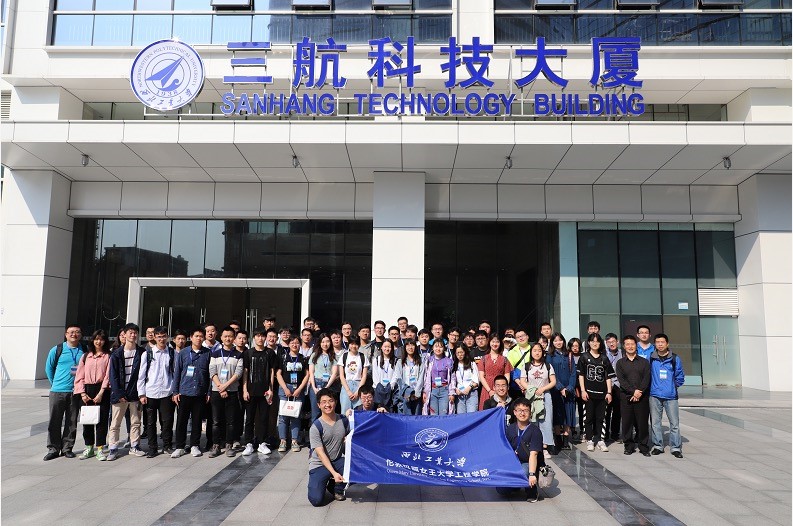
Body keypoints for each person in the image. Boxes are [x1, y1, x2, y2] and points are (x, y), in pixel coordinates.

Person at [44, 324, 85, 460]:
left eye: (77, 332)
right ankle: (53, 449)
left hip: (75, 392)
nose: (74, 334)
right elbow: (49, 368)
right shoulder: (57, 349)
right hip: (57, 391)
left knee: (71, 421)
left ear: (81, 335)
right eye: (71, 332)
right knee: (54, 421)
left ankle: (67, 448)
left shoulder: (84, 350)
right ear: (66, 334)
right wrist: (55, 383)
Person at [170, 327, 212, 458]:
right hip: (184, 392)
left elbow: (210, 375)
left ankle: (195, 445)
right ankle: (180, 446)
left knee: (197, 421)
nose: (199, 338)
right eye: (196, 336)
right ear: (191, 337)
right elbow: (177, 373)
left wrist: (209, 392)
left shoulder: (207, 353)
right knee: (181, 421)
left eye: (201, 336)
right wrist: (175, 391)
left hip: (200, 392)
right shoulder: (183, 353)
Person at [107, 323, 146, 461]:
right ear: (125, 334)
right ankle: (113, 448)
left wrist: (141, 392)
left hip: (135, 393)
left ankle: (135, 446)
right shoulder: (116, 354)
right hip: (120, 394)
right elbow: (113, 376)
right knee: (115, 423)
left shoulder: (142, 352)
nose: (133, 335)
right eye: (130, 332)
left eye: (135, 332)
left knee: (136, 422)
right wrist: (119, 394)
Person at [496, 397, 545, 502]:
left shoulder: (535, 431)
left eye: (526, 410)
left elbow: (534, 455)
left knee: (524, 470)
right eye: (519, 410)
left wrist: (532, 474)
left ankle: (532, 491)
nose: (522, 413)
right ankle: (516, 485)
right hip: (514, 463)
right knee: (501, 490)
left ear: (530, 412)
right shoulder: (510, 428)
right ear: (514, 412)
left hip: (529, 464)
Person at [137, 326, 176, 458]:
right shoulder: (147, 354)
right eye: (158, 336)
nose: (161, 339)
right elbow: (141, 375)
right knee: (150, 423)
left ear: (167, 337)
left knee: (167, 421)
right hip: (150, 392)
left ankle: (167, 445)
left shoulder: (172, 353)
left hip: (167, 392)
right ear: (154, 337)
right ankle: (152, 448)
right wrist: (141, 393)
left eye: (163, 336)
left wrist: (175, 391)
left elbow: (175, 373)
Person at [307, 389, 349, 506]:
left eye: (331, 401)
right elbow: (320, 454)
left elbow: (363, 424)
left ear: (336, 402)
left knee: (355, 470)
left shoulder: (344, 420)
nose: (328, 405)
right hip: (319, 464)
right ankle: (322, 481)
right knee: (316, 500)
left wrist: (380, 410)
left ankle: (336, 488)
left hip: (337, 460)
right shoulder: (316, 427)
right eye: (324, 402)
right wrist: (334, 473)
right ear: (318, 405)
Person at [73, 329, 110, 460]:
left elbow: (108, 376)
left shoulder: (108, 356)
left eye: (101, 339)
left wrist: (101, 392)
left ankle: (100, 448)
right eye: (96, 339)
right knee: (87, 420)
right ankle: (89, 447)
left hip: (102, 390)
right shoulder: (86, 356)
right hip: (87, 389)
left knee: (102, 421)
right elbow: (79, 375)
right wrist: (82, 393)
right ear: (92, 341)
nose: (99, 342)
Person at [208, 327, 244, 458]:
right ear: (221, 338)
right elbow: (212, 371)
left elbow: (238, 373)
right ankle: (216, 445)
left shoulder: (238, 355)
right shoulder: (215, 354)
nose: (228, 338)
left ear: (234, 338)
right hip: (216, 391)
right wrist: (220, 386)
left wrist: (225, 386)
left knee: (231, 421)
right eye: (225, 336)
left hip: (232, 391)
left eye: (230, 336)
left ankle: (229, 445)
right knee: (216, 421)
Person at [577, 333, 615, 453]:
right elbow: (581, 375)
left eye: (597, 341)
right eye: (592, 341)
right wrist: (583, 390)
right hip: (588, 393)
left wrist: (609, 392)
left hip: (602, 393)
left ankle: (600, 440)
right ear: (588, 343)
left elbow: (608, 377)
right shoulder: (584, 357)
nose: (595, 343)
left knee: (601, 418)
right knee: (588, 417)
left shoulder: (604, 358)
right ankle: (589, 439)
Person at [241, 328, 277, 456]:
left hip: (265, 391)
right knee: (249, 419)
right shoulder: (248, 353)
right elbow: (245, 372)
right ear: (254, 338)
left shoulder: (270, 353)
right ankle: (249, 443)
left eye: (262, 336)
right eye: (257, 336)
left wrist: (271, 389)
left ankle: (262, 443)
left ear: (265, 338)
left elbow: (272, 371)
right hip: (251, 391)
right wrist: (245, 390)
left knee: (264, 418)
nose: (260, 338)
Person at [649, 334, 685, 458]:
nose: (660, 344)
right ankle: (658, 446)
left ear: (667, 343)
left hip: (671, 396)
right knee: (655, 422)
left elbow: (680, 376)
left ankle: (675, 448)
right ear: (655, 344)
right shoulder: (651, 358)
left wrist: (672, 387)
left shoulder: (675, 358)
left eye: (662, 342)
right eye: (657, 342)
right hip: (654, 395)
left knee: (674, 423)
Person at [615, 335, 651, 456]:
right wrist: (633, 392)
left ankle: (643, 446)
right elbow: (622, 380)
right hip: (626, 397)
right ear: (624, 346)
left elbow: (646, 378)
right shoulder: (620, 363)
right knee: (627, 423)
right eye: (628, 344)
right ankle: (628, 446)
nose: (630, 346)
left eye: (632, 344)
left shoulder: (644, 362)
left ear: (636, 346)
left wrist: (639, 391)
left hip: (642, 397)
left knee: (642, 423)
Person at [519, 342, 556, 457]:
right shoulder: (526, 366)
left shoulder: (548, 366)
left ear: (543, 352)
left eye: (539, 350)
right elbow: (522, 381)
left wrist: (543, 389)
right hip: (531, 396)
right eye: (534, 350)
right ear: (531, 352)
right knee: (532, 420)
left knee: (546, 421)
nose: (537, 353)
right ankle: (534, 446)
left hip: (545, 395)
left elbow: (553, 381)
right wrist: (532, 389)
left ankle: (545, 447)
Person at [276, 335, 309, 453]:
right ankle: (283, 440)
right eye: (292, 343)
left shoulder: (303, 358)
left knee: (296, 415)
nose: (295, 345)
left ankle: (294, 440)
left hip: (298, 389)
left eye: (297, 343)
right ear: (289, 344)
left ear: (300, 345)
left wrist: (300, 389)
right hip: (285, 388)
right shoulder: (283, 357)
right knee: (283, 416)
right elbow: (278, 374)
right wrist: (285, 388)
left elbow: (307, 375)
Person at [546, 332, 575, 451]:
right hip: (556, 390)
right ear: (552, 342)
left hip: (569, 389)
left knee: (568, 414)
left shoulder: (569, 355)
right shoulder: (550, 356)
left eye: (560, 340)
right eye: (555, 340)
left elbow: (573, 373)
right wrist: (560, 388)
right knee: (558, 415)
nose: (558, 342)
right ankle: (558, 438)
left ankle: (566, 440)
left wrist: (570, 387)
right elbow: (550, 373)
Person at [309, 334, 339, 422]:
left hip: (329, 384)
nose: (325, 344)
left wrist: (327, 387)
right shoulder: (314, 355)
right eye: (323, 342)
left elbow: (334, 373)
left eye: (327, 342)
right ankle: (315, 430)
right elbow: (311, 372)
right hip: (316, 383)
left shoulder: (334, 355)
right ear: (319, 343)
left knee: (329, 410)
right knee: (315, 412)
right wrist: (314, 387)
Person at [422, 339, 456, 415]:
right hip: (432, 390)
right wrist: (425, 391)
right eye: (436, 346)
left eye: (440, 347)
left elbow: (452, 378)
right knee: (433, 414)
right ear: (433, 348)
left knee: (443, 414)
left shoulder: (449, 361)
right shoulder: (429, 360)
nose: (438, 349)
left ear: (444, 348)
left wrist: (452, 392)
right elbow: (425, 377)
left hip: (444, 390)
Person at [338, 337, 369, 414]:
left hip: (359, 385)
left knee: (359, 412)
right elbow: (341, 376)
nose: (354, 346)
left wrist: (358, 391)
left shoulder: (363, 357)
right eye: (352, 344)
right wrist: (348, 391)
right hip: (346, 385)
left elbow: (364, 376)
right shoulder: (344, 356)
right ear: (348, 344)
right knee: (345, 412)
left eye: (356, 344)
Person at [396, 339, 425, 415]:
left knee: (416, 416)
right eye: (408, 345)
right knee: (405, 415)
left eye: (412, 345)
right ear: (405, 348)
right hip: (405, 394)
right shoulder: (400, 362)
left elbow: (421, 377)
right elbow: (399, 378)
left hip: (416, 394)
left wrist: (417, 393)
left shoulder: (421, 360)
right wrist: (406, 392)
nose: (410, 347)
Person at [603, 333, 623, 443]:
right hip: (607, 385)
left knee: (617, 411)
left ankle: (615, 434)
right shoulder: (603, 354)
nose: (611, 344)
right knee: (606, 411)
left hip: (619, 385)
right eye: (609, 342)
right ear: (606, 343)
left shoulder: (622, 353)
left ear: (617, 342)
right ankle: (605, 434)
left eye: (613, 341)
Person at [371, 339, 399, 411]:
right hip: (378, 390)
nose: (387, 349)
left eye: (389, 347)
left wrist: (390, 387)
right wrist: (380, 387)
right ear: (381, 347)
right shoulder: (376, 360)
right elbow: (375, 376)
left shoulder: (396, 361)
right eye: (385, 346)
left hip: (391, 391)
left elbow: (395, 376)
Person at [453, 345, 480, 414]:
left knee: (471, 415)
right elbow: (452, 380)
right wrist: (456, 389)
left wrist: (469, 388)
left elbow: (476, 381)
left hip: (471, 393)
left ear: (465, 352)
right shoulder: (454, 365)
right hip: (460, 395)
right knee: (461, 417)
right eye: (458, 353)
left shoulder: (472, 364)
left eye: (461, 352)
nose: (460, 355)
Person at [506, 330, 532, 400]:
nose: (521, 338)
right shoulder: (511, 352)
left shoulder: (533, 349)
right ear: (516, 339)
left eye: (522, 336)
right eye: (518, 337)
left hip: (532, 384)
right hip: (516, 386)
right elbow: (510, 368)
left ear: (527, 337)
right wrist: (519, 383)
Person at [568, 337, 584, 440]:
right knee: (571, 409)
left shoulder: (583, 356)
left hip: (581, 386)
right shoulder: (568, 357)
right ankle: (572, 430)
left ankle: (582, 429)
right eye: (573, 346)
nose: (575, 348)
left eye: (577, 346)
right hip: (571, 386)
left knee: (582, 409)